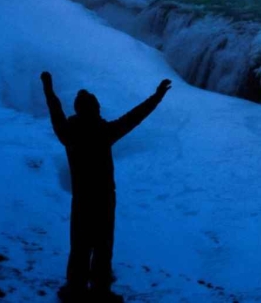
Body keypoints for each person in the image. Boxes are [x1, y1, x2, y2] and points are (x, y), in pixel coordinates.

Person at [41, 71, 172, 301]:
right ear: (93, 110)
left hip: (82, 199)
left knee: (80, 245)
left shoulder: (69, 133)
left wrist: (48, 88)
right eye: (97, 107)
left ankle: (76, 289)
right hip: (104, 199)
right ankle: (100, 291)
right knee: (102, 246)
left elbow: (55, 109)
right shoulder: (104, 132)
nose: (100, 110)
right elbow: (135, 116)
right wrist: (157, 95)